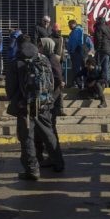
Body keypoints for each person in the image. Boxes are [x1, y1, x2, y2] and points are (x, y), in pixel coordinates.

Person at [6, 40, 64, 180]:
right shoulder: (42, 59)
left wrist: (16, 101)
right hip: (43, 103)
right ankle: (59, 163)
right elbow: (51, 80)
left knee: (27, 138)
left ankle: (32, 170)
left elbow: (10, 87)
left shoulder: (17, 63)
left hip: (25, 106)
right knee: (48, 133)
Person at [34, 37, 65, 165]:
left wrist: (52, 94)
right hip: (48, 99)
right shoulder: (45, 58)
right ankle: (48, 156)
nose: (39, 47)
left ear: (47, 46)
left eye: (41, 45)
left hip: (51, 100)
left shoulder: (51, 59)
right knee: (46, 129)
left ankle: (54, 157)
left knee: (50, 129)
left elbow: (59, 79)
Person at [93, 17, 110, 86]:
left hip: (102, 49)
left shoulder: (98, 28)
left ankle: (104, 82)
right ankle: (108, 82)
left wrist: (97, 49)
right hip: (108, 50)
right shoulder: (109, 28)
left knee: (102, 67)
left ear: (98, 21)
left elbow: (98, 39)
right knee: (107, 66)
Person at [67, 20, 84, 85]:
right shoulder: (73, 32)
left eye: (69, 25)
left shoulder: (77, 31)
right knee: (75, 68)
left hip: (76, 52)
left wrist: (72, 50)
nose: (69, 26)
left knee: (76, 68)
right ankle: (75, 82)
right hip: (74, 52)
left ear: (73, 24)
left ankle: (79, 83)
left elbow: (75, 42)